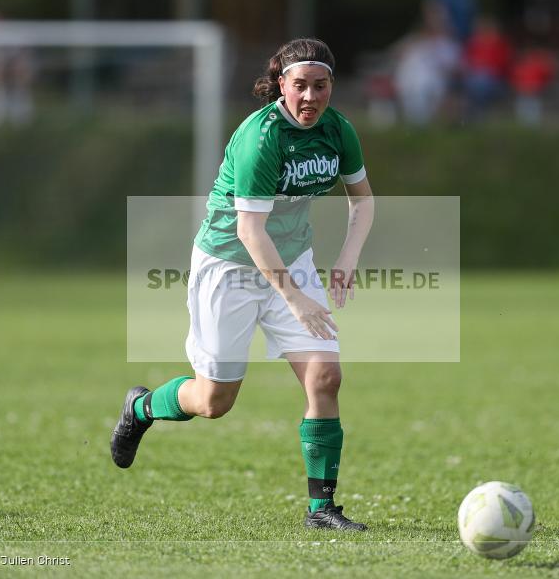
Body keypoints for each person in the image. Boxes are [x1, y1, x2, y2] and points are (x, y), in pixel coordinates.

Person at [111, 38, 374, 531]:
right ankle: (142, 408)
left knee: (325, 377)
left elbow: (363, 200)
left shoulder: (338, 130)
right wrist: (294, 298)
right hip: (229, 267)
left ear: (331, 86)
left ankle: (322, 509)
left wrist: (346, 258)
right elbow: (249, 231)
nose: (310, 97)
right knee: (214, 402)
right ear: (282, 84)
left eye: (320, 86)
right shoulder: (261, 137)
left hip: (291, 260)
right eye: (300, 86)